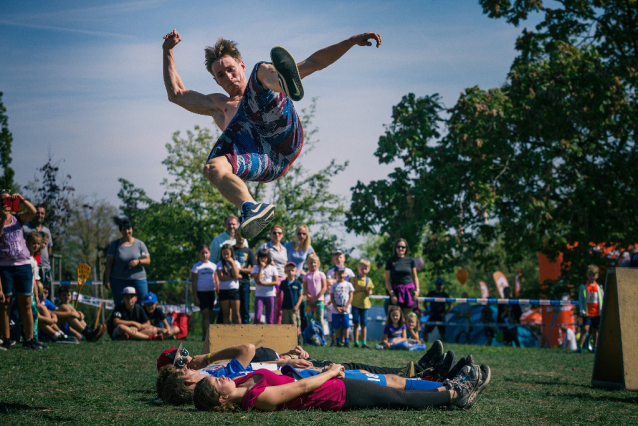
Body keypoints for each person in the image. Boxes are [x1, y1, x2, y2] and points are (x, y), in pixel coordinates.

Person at [162, 29, 382, 240]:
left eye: (231, 69)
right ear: (216, 81)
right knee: (212, 167)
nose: (228, 76)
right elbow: (177, 94)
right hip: (265, 160)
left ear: (241, 65)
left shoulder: (258, 80)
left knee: (261, 71)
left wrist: (351, 41)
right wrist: (167, 51)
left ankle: (283, 82)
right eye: (221, 75)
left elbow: (314, 63)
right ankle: (250, 206)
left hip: (284, 136)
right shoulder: (218, 105)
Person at [193, 360, 490, 412]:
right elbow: (301, 389)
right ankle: (455, 393)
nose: (220, 376)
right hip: (337, 393)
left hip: (331, 383)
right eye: (216, 382)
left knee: (396, 387)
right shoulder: (258, 399)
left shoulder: (244, 383)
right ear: (221, 400)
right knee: (397, 397)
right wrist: (332, 372)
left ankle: (451, 389)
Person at [0, 191, 44, 350]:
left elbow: (32, 212)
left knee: (26, 303)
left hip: (23, 265)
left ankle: (30, 339)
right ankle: (6, 339)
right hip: (5, 267)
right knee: (6, 303)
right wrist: (2, 218)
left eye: (8, 199)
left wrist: (22, 199)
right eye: (3, 199)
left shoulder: (18, 219)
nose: (6, 202)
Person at [104, 218, 151, 306]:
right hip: (118, 280)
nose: (127, 231)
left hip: (138, 279)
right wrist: (107, 279)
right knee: (120, 305)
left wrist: (138, 261)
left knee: (141, 304)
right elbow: (109, 263)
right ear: (121, 231)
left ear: (132, 229)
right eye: (124, 229)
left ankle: (140, 320)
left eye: (129, 228)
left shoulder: (140, 244)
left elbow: (148, 260)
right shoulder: (115, 244)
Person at [257, 225, 288, 323]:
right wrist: (268, 262)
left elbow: (285, 264)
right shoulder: (265, 246)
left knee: (280, 307)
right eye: (274, 233)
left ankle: (276, 330)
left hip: (282, 279)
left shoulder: (284, 249)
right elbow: (256, 258)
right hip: (271, 279)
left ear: (282, 235)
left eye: (279, 233)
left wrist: (286, 277)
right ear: (271, 234)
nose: (276, 235)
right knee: (271, 306)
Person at [22, 204, 53, 298]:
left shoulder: (46, 230)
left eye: (42, 213)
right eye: (37, 213)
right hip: (31, 265)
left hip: (45, 267)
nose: (40, 215)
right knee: (33, 293)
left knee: (46, 295)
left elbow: (49, 248)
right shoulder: (25, 228)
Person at [326, 249, 355, 346]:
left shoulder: (349, 277)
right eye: (336, 257)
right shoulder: (332, 279)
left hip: (346, 306)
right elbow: (331, 294)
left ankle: (346, 341)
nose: (341, 275)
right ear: (335, 275)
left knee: (346, 325)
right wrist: (335, 306)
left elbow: (351, 294)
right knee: (336, 325)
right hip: (335, 307)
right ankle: (336, 340)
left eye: (340, 256)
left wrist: (346, 305)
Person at [385, 238, 420, 319]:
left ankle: (407, 332)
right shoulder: (390, 260)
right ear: (395, 248)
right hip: (395, 292)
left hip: (409, 292)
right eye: (398, 246)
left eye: (403, 247)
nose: (401, 248)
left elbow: (415, 276)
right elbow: (387, 279)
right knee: (391, 319)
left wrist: (417, 290)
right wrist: (392, 294)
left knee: (407, 319)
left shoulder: (411, 260)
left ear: (406, 248)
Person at [191, 244, 218, 340]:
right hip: (201, 293)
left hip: (211, 292)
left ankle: (209, 334)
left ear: (209, 253)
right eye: (202, 253)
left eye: (206, 253)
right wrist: (195, 297)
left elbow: (216, 281)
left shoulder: (213, 266)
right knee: (205, 313)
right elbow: (193, 282)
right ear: (199, 254)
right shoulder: (196, 266)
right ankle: (205, 335)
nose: (204, 255)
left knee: (210, 314)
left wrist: (218, 293)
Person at [578, 264, 604, 353]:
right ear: (587, 275)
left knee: (595, 330)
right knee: (585, 329)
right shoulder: (584, 286)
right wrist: (582, 311)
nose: (592, 277)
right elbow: (581, 299)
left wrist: (602, 310)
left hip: (597, 312)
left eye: (594, 275)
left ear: (597, 275)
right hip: (587, 312)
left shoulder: (599, 287)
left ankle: (595, 346)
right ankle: (580, 346)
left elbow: (602, 299)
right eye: (590, 275)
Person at [216, 244, 242, 324]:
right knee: (226, 315)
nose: (226, 256)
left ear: (231, 253)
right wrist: (234, 278)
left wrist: (232, 263)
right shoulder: (219, 264)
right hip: (224, 291)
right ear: (221, 254)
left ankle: (239, 334)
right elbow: (221, 278)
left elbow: (236, 274)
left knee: (236, 314)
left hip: (234, 290)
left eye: (228, 254)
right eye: (224, 254)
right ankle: (227, 335)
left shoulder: (236, 263)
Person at [252, 248, 279, 324]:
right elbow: (257, 281)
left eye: (265, 257)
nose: (263, 259)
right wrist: (260, 268)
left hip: (270, 295)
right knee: (257, 317)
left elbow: (276, 282)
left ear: (268, 257)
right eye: (261, 257)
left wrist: (264, 283)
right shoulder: (255, 268)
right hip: (259, 295)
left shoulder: (273, 268)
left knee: (270, 318)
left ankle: (269, 335)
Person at [233, 234, 256, 325]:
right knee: (232, 310)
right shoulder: (230, 249)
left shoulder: (249, 251)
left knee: (245, 309)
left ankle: (245, 332)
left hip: (245, 283)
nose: (240, 237)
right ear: (235, 236)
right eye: (239, 235)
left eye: (243, 235)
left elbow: (254, 269)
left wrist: (241, 269)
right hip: (231, 283)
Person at [351, 259, 373, 348]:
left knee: (364, 324)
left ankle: (364, 342)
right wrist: (361, 289)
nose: (363, 270)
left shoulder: (368, 280)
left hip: (365, 305)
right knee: (356, 323)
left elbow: (370, 292)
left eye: (365, 268)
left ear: (368, 269)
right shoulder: (354, 279)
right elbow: (351, 290)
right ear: (358, 268)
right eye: (362, 268)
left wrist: (367, 291)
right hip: (355, 304)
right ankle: (356, 341)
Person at [280, 262, 303, 343]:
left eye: (292, 270)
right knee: (285, 324)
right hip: (285, 307)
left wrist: (297, 305)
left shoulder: (298, 283)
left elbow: (301, 295)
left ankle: (297, 340)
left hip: (294, 308)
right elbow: (278, 293)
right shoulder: (283, 283)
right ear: (285, 271)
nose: (290, 272)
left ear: (296, 272)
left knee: (295, 324)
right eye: (288, 270)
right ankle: (286, 340)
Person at [423, 278, 452, 343]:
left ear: (443, 285)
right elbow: (424, 302)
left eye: (440, 284)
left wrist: (445, 313)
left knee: (442, 333)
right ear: (435, 285)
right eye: (438, 284)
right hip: (432, 314)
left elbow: (451, 305)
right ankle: (425, 343)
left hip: (440, 316)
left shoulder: (445, 295)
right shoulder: (431, 293)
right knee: (425, 331)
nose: (439, 286)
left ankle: (442, 346)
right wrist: (428, 311)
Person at [302, 253, 327, 326]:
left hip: (319, 301)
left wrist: (316, 298)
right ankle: (311, 336)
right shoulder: (306, 276)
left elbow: (324, 287)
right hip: (309, 301)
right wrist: (310, 297)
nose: (313, 264)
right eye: (311, 263)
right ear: (307, 264)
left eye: (314, 262)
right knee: (310, 320)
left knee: (320, 320)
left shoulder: (321, 274)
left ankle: (321, 336)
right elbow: (305, 289)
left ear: (318, 263)